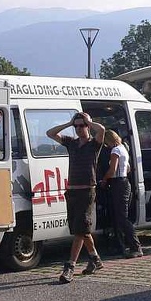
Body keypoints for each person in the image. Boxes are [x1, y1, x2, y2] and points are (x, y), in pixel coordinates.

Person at [46, 112, 106, 283]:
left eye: (82, 125)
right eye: (77, 126)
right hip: (72, 191)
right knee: (80, 228)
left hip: (87, 191)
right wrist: (69, 123)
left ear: (88, 126)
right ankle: (95, 259)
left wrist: (89, 121)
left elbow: (101, 130)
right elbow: (50, 134)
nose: (79, 129)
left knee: (80, 230)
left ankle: (70, 266)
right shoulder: (71, 143)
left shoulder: (94, 144)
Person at [100, 130, 142, 258]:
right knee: (119, 216)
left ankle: (136, 246)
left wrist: (104, 180)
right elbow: (128, 168)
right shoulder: (123, 148)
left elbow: (112, 170)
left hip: (118, 183)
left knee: (122, 217)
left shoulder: (115, 151)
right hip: (124, 182)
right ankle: (121, 245)